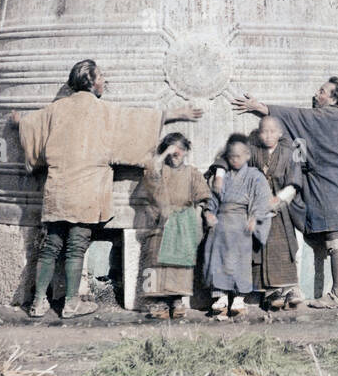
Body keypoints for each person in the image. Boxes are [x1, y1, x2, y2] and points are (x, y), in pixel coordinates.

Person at [14, 58, 202, 319]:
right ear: (91, 81)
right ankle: (70, 303)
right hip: (86, 190)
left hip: (57, 188)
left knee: (51, 245)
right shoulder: (105, 112)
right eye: (101, 76)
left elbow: (30, 125)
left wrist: (18, 121)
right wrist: (176, 114)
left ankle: (37, 303)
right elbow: (137, 122)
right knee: (76, 246)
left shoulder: (56, 109)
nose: (104, 81)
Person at [234, 77, 338, 308]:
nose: (317, 95)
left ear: (334, 98)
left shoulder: (320, 118)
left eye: (322, 92)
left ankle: (337, 295)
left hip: (331, 190)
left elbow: (293, 116)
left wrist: (259, 107)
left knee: (334, 241)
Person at [137, 132, 208, 320]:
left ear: (186, 152)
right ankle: (158, 301)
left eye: (181, 150)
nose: (177, 155)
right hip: (160, 220)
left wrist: (197, 217)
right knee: (156, 257)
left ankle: (177, 300)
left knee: (180, 262)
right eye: (172, 150)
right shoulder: (159, 169)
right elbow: (150, 173)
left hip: (183, 221)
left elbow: (203, 197)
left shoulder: (191, 173)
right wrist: (164, 153)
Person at [202, 134, 271, 320]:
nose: (235, 159)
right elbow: (212, 199)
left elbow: (263, 200)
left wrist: (254, 218)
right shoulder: (221, 176)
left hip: (242, 221)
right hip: (221, 220)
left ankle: (239, 298)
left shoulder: (255, 176)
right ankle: (220, 296)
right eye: (231, 156)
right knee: (215, 253)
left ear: (248, 155)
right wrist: (208, 213)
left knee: (240, 258)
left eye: (239, 156)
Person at [248, 115, 307, 310]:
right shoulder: (254, 152)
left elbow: (295, 182)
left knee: (283, 248)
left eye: (272, 131)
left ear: (280, 133)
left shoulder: (289, 152)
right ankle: (269, 292)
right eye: (264, 131)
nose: (268, 135)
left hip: (281, 209)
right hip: (259, 207)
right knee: (260, 247)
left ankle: (287, 289)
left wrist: (279, 198)